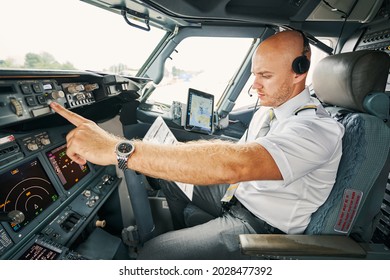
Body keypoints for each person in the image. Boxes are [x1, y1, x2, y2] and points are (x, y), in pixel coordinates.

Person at [49, 30, 344, 259]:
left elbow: (235, 164)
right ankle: (186, 239)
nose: (255, 85)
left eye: (265, 76)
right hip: (238, 195)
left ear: (299, 70)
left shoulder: (316, 129)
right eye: (255, 75)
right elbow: (235, 153)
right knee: (167, 175)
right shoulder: (271, 111)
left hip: (262, 226)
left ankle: (174, 249)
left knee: (154, 256)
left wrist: (117, 149)